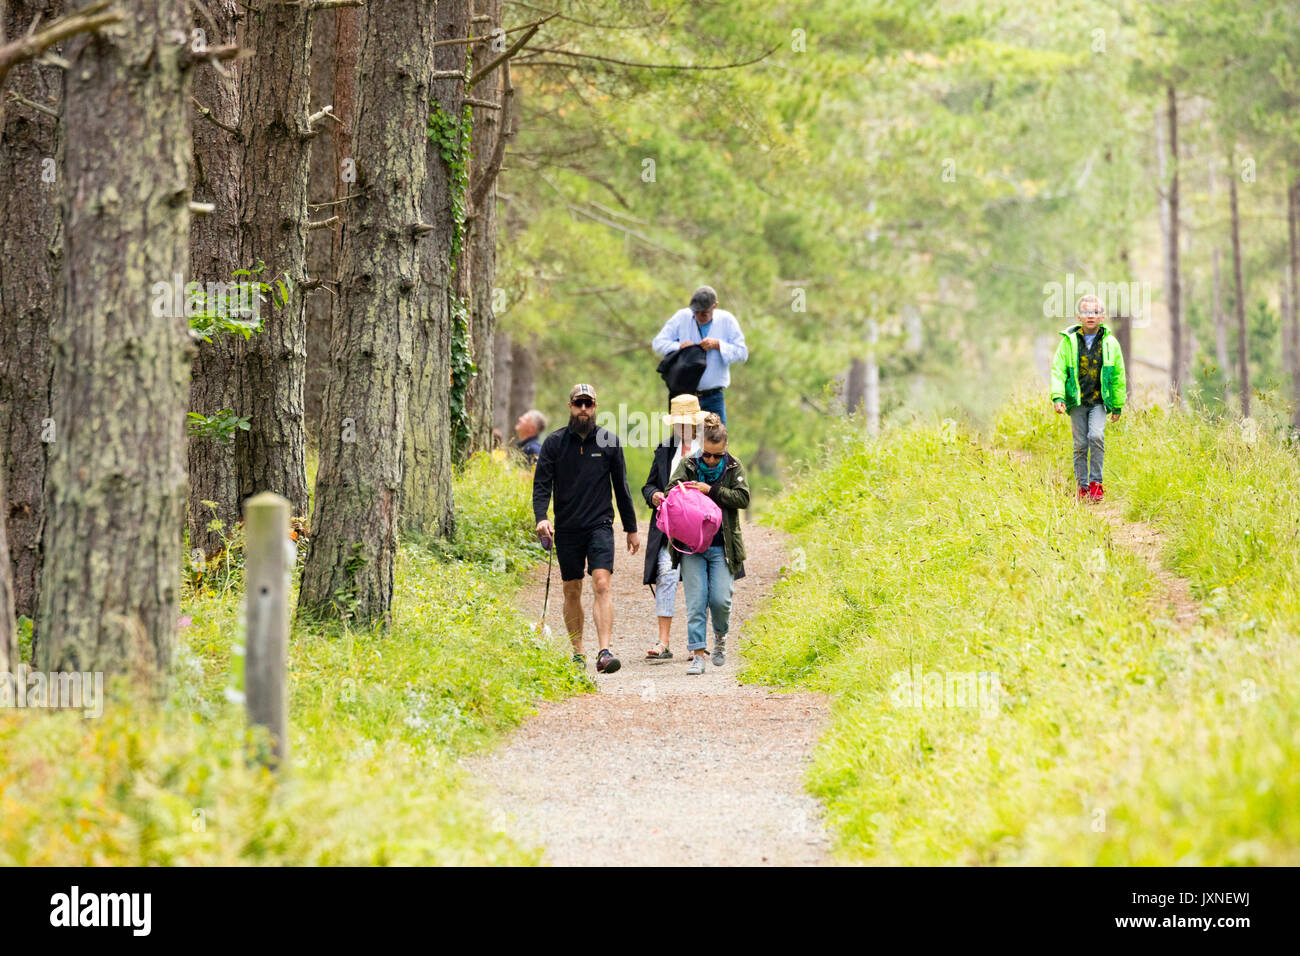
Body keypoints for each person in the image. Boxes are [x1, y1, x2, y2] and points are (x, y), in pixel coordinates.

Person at [533, 384, 640, 674]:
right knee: (572, 589)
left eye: (588, 404)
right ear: (570, 406)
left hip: (600, 525)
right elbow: (541, 485)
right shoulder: (554, 444)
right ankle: (578, 651)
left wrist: (631, 528)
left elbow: (622, 487)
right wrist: (541, 517)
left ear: (595, 407)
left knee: (602, 583)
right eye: (578, 403)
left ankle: (604, 651)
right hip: (566, 528)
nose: (583, 409)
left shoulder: (609, 442)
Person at [666, 412, 748, 675]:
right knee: (696, 600)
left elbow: (743, 498)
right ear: (701, 449)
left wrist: (710, 490)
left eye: (717, 455)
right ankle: (698, 655)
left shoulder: (734, 467)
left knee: (721, 599)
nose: (711, 460)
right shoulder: (688, 464)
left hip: (722, 547)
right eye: (707, 455)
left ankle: (721, 638)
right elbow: (670, 492)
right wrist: (685, 490)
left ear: (724, 450)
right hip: (691, 546)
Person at [641, 394, 706, 662]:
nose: (681, 427)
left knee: (696, 582)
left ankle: (696, 644)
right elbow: (649, 485)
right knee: (666, 575)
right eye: (677, 422)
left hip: (700, 528)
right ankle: (663, 642)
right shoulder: (665, 449)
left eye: (686, 422)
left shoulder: (709, 449)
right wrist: (654, 495)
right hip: (670, 526)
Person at [1050, 294, 1127, 501]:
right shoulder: (1068, 342)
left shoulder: (1111, 343)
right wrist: (1058, 397)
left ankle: (1096, 483)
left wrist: (1118, 405)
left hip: (1099, 402)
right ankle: (1082, 487)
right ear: (1078, 316)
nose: (1090, 316)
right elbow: (1058, 371)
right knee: (1080, 444)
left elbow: (1119, 375)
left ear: (1102, 316)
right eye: (1085, 312)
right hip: (1077, 401)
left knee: (1096, 437)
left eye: (1095, 312)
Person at [651, 285, 748, 424]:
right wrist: (679, 346)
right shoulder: (682, 317)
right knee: (683, 444)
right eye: (695, 312)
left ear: (715, 306)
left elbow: (742, 353)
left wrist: (718, 345)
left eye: (704, 313)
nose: (699, 316)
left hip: (713, 397)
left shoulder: (727, 320)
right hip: (685, 397)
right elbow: (658, 343)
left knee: (715, 443)